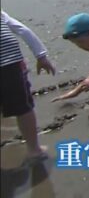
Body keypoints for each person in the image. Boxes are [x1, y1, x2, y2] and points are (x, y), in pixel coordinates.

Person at [1, 10, 56, 163]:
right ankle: (34, 150)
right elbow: (23, 30)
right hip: (9, 65)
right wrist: (41, 56)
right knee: (23, 108)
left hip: (8, 63)